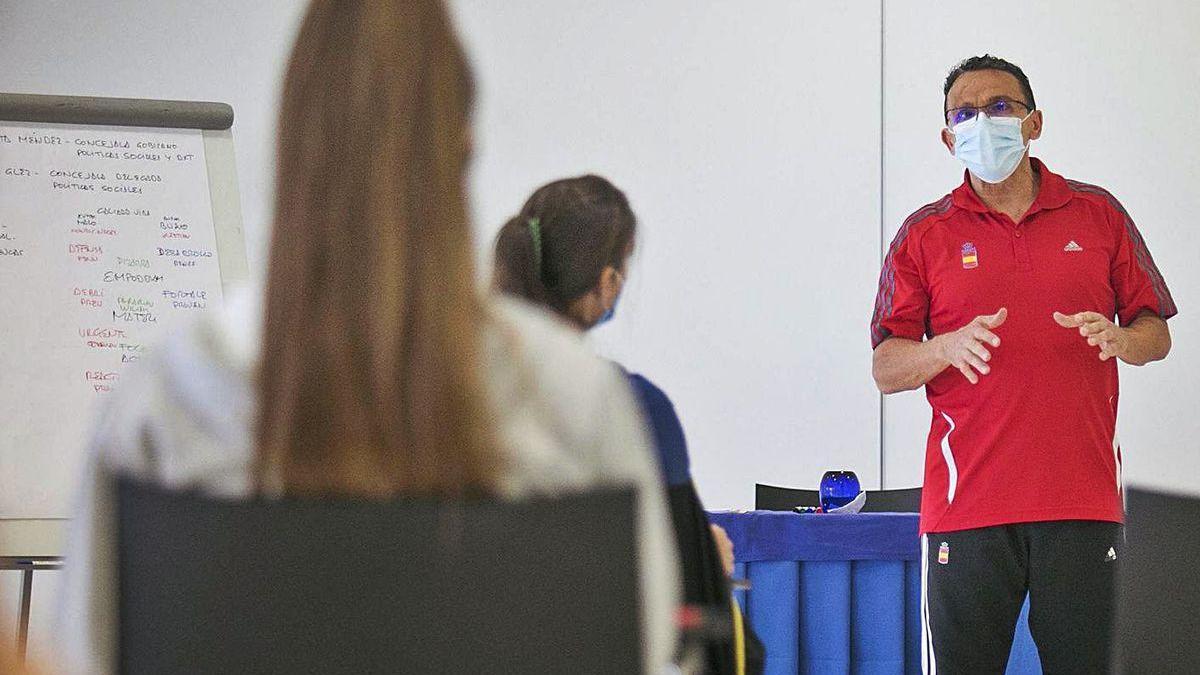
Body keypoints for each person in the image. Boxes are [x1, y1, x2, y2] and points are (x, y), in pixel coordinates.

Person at [55, 2, 679, 673]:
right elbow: (641, 650)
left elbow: (81, 653)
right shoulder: (577, 403)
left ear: (293, 145)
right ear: (463, 148)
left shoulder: (167, 402)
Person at [870, 54, 1175, 673]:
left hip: (1084, 505)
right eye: (966, 113)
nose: (984, 122)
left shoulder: (1099, 214)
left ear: (1034, 123)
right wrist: (944, 347)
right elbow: (885, 367)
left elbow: (1155, 333)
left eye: (1001, 107)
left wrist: (1122, 340)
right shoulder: (923, 234)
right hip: (967, 510)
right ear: (948, 137)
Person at [493, 175, 764, 675]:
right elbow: (691, 602)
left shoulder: (453, 397)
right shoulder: (632, 405)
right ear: (608, 282)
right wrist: (710, 557)